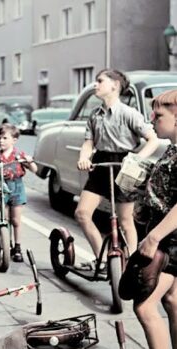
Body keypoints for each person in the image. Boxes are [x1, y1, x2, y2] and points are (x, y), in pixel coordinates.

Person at [75, 69, 158, 270]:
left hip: (125, 165)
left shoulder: (129, 114)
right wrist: (84, 157)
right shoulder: (95, 115)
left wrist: (137, 159)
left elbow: (153, 140)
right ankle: (100, 259)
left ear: (115, 85)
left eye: (100, 81)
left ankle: (131, 265)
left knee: (125, 220)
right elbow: (89, 143)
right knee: (82, 213)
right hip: (101, 163)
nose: (96, 85)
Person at [131, 89, 177, 349]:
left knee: (144, 305)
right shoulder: (172, 149)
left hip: (171, 240)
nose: (152, 120)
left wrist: (154, 236)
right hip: (168, 235)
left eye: (159, 115)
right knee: (172, 300)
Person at [0, 123, 37, 262]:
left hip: (17, 187)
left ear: (14, 140)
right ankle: (6, 244)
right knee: (5, 218)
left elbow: (34, 169)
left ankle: (17, 247)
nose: (1, 141)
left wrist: (29, 161)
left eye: (5, 138)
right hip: (3, 188)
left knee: (16, 220)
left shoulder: (19, 155)